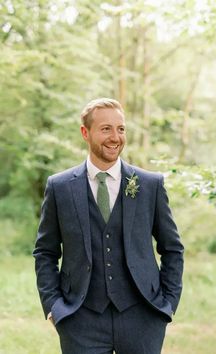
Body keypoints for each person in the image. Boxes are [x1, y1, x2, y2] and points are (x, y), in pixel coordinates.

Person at [33, 97, 184, 354]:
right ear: (85, 132)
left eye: (121, 129)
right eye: (106, 129)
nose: (115, 137)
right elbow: (45, 252)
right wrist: (54, 307)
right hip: (80, 319)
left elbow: (172, 248)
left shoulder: (150, 185)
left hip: (142, 317)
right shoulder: (59, 187)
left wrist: (166, 306)